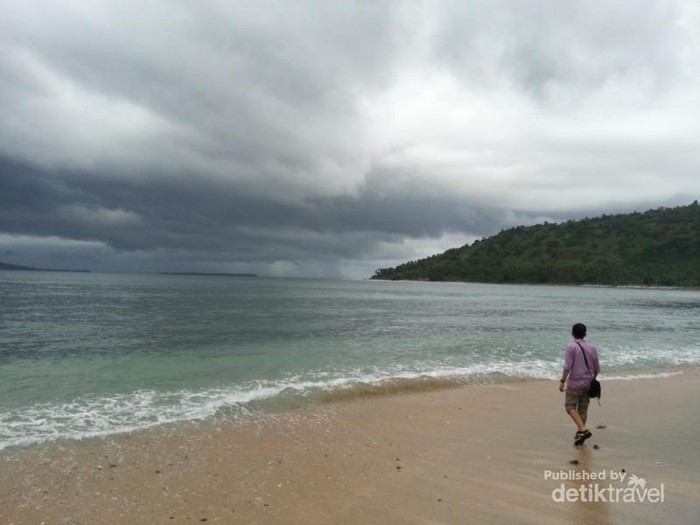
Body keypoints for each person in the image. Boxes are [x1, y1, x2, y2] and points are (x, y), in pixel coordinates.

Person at [559, 323, 600, 446]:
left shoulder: (571, 346)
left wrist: (562, 382)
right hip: (588, 383)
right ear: (585, 333)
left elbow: (567, 367)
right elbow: (597, 367)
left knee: (570, 407)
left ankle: (582, 430)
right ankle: (580, 433)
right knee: (583, 409)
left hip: (574, 384)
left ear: (572, 333)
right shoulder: (592, 347)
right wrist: (593, 378)